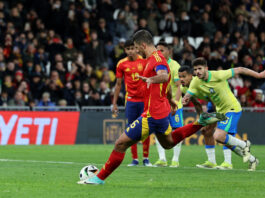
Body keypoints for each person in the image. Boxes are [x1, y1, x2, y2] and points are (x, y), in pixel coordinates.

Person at [78, 30, 226, 185]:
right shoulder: (152, 59)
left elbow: (162, 76)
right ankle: (201, 121)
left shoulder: (157, 59)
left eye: (136, 47)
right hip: (161, 110)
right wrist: (170, 100)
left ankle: (98, 178)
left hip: (152, 114)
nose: (136, 51)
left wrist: (151, 79)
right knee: (168, 143)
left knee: (120, 144)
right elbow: (167, 83)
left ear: (143, 45)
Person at [182, 57, 263, 171]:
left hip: (232, 109)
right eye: (195, 70)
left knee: (219, 136)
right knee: (216, 135)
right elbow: (189, 94)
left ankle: (244, 145)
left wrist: (259, 75)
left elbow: (240, 69)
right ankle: (251, 159)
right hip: (220, 111)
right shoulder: (196, 81)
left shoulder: (218, 75)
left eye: (200, 69)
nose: (197, 72)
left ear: (206, 68)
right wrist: (185, 98)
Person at [112, 39, 152, 167]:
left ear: (136, 48)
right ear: (125, 50)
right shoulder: (121, 64)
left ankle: (146, 158)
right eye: (127, 49)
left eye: (132, 48)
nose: (130, 51)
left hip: (144, 99)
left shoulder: (144, 61)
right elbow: (118, 84)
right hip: (130, 101)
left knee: (145, 129)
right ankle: (135, 159)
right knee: (131, 129)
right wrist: (114, 103)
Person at [179, 66, 227, 169]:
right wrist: (202, 119)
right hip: (212, 104)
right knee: (205, 131)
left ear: (191, 76)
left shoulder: (198, 83)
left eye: (184, 76)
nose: (181, 79)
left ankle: (228, 161)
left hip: (220, 103)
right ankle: (211, 162)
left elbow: (213, 97)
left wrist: (218, 115)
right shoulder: (184, 88)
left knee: (222, 133)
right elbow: (196, 103)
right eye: (179, 77)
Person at [153, 41, 183, 168]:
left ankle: (175, 160)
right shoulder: (155, 64)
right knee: (158, 130)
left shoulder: (174, 66)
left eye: (162, 50)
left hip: (174, 105)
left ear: (169, 51)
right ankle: (162, 158)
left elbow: (179, 86)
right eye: (157, 50)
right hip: (160, 104)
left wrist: (175, 103)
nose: (159, 53)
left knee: (176, 130)